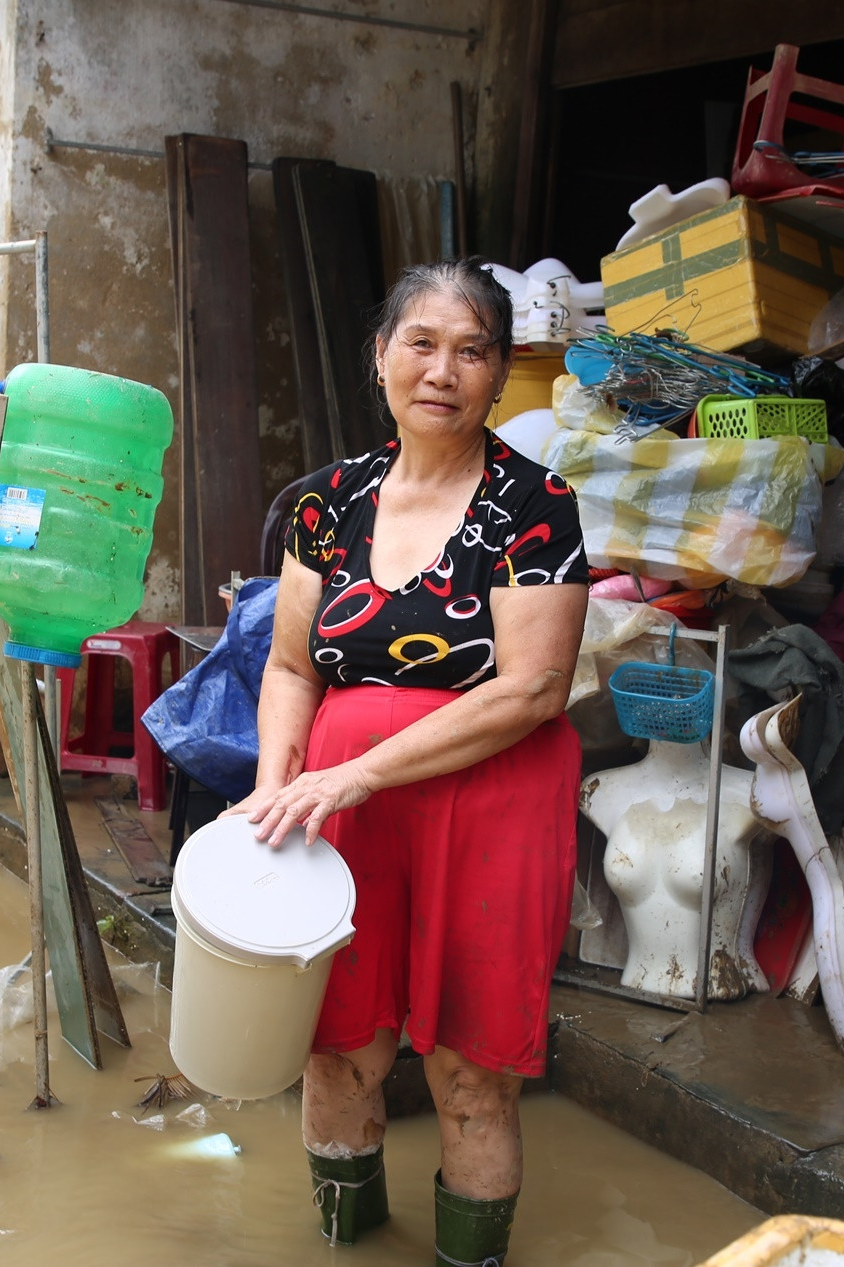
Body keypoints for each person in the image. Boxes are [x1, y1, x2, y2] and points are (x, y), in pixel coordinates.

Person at [230, 259, 589, 1266]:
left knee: (473, 1073)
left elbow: (532, 688)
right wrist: (274, 784)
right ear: (380, 357)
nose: (442, 370)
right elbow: (292, 666)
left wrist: (357, 771)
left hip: (490, 806)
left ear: (498, 371)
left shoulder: (536, 506)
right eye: (420, 343)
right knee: (337, 1050)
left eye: (470, 349)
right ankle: (348, 1247)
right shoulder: (325, 503)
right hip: (341, 818)